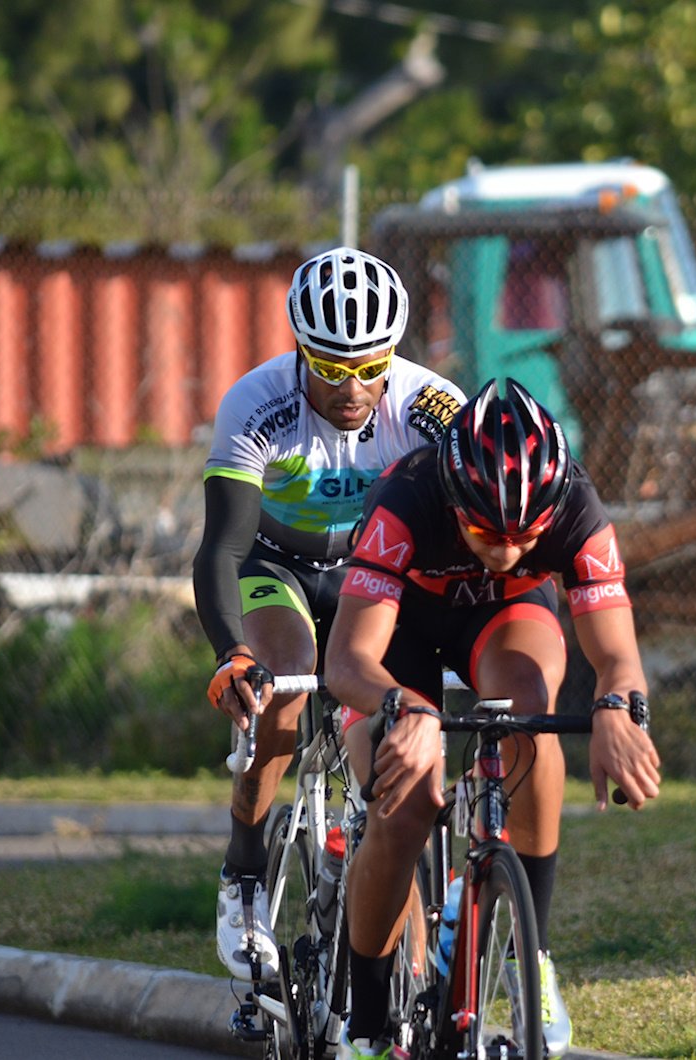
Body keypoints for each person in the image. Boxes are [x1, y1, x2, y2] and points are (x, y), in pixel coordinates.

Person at [324, 377, 663, 1060]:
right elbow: (348, 660)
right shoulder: (408, 498)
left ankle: (527, 956)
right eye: (485, 531)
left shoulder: (577, 506)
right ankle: (365, 1022)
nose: (506, 550)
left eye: (525, 535)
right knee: (405, 803)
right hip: (402, 627)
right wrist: (405, 707)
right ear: (455, 499)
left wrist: (618, 711)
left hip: (503, 617)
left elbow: (618, 656)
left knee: (530, 720)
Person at [193, 246, 465, 982]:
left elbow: (469, 528)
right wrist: (230, 654)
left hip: (370, 576)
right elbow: (222, 546)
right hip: (273, 565)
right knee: (282, 684)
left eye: (370, 365)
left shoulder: (430, 404)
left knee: (385, 747)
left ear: (395, 353)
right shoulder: (257, 402)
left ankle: (395, 969)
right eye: (330, 366)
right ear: (299, 349)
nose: (352, 386)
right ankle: (245, 874)